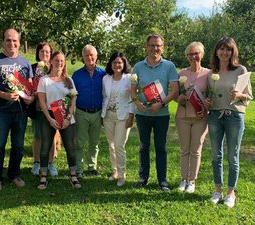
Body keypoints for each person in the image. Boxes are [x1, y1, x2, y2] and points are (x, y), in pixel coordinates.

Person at [0, 28, 34, 191]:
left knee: (18, 145)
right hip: (1, 110)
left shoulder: (25, 63)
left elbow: (30, 87)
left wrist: (29, 98)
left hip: (20, 111)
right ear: (3, 41)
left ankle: (14, 174)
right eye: (8, 40)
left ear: (19, 43)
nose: (11, 43)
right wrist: (3, 95)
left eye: (15, 41)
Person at [206, 37, 253, 208]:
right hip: (215, 117)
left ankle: (230, 192)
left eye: (228, 49)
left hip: (234, 116)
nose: (224, 52)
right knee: (215, 155)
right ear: (216, 51)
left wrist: (239, 95)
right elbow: (208, 96)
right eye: (221, 49)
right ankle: (217, 190)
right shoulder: (211, 73)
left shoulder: (240, 70)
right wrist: (207, 102)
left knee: (233, 156)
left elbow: (249, 96)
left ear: (233, 52)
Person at [130, 34, 179, 192]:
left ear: (162, 48)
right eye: (151, 45)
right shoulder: (138, 67)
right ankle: (143, 178)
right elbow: (132, 91)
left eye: (158, 45)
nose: (154, 48)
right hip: (142, 114)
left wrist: (162, 104)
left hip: (161, 115)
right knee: (144, 147)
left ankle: (162, 181)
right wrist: (137, 102)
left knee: (161, 148)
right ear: (146, 46)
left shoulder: (169, 66)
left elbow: (175, 90)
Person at [36, 51, 81, 189]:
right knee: (45, 147)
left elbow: (73, 99)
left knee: (70, 147)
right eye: (56, 60)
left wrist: (68, 117)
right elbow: (42, 101)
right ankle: (43, 176)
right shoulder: (44, 80)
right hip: (49, 116)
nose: (59, 63)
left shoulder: (69, 81)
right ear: (51, 62)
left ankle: (73, 175)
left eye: (62, 61)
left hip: (66, 116)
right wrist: (49, 119)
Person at [175, 42, 210, 193]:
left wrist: (208, 103)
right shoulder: (181, 73)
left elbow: (211, 95)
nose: (193, 57)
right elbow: (175, 95)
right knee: (184, 149)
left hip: (200, 117)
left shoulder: (209, 74)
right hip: (182, 116)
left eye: (196, 53)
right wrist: (179, 98)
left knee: (196, 150)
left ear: (202, 54)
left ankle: (192, 180)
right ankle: (183, 179)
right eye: (190, 54)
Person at [72, 44, 106, 178]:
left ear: (96, 57)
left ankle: (92, 166)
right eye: (86, 55)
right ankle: (79, 168)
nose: (89, 57)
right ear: (83, 57)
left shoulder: (103, 74)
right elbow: (71, 93)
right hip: (81, 112)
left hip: (97, 113)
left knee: (94, 142)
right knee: (79, 142)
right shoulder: (77, 75)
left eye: (92, 55)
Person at [101, 52, 134, 187]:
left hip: (123, 116)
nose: (117, 65)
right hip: (108, 115)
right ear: (110, 64)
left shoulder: (129, 78)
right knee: (111, 145)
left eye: (120, 62)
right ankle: (114, 171)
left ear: (124, 64)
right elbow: (104, 96)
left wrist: (131, 115)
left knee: (119, 146)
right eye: (114, 62)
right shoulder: (105, 79)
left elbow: (132, 98)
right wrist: (102, 115)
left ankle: (122, 175)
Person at [30, 42, 61, 177]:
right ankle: (36, 162)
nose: (45, 54)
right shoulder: (31, 68)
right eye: (42, 51)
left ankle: (51, 163)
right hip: (37, 107)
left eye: (48, 52)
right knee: (38, 135)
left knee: (52, 136)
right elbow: (27, 86)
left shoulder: (54, 68)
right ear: (38, 53)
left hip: (52, 107)